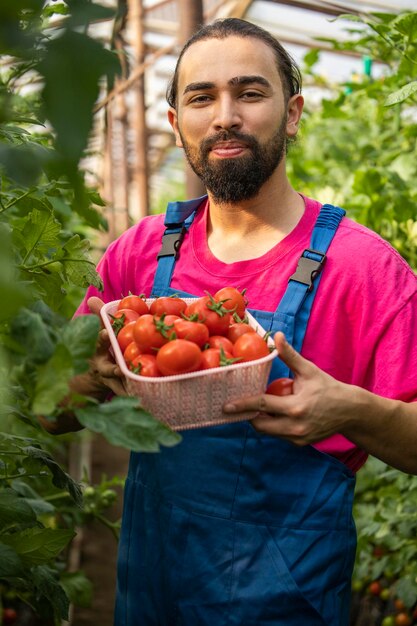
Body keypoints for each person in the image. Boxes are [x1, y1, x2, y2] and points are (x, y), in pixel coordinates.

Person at [42, 18, 417, 626]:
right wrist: (86, 379)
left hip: (285, 605)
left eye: (249, 92)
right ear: (176, 124)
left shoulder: (363, 268)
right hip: (150, 595)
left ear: (292, 113)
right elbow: (47, 409)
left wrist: (351, 411)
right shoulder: (138, 256)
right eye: (201, 98)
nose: (225, 116)